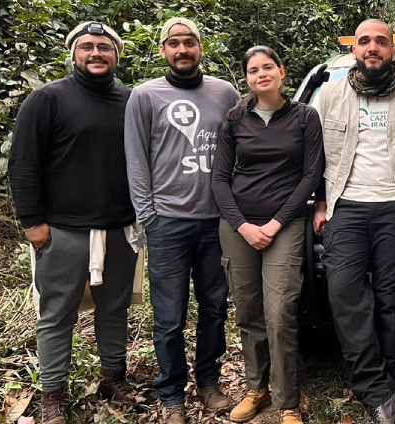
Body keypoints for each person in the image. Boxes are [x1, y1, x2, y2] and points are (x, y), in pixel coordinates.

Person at [312, 18, 395, 424]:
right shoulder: (330, 94)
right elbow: (311, 153)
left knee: (392, 300)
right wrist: (318, 201)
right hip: (344, 207)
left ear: (392, 48)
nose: (373, 48)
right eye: (364, 41)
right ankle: (377, 389)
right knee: (345, 298)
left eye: (381, 42)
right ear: (355, 49)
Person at [9, 21, 138, 424]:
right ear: (74, 53)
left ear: (117, 54)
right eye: (87, 47)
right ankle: (53, 395)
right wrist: (33, 222)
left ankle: (113, 377)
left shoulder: (131, 101)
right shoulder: (47, 99)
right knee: (57, 314)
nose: (96, 53)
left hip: (120, 227)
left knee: (114, 308)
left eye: (104, 47)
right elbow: (23, 163)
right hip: (63, 229)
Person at [124, 17, 240, 423]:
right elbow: (136, 160)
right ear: (163, 51)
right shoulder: (144, 95)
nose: (182, 49)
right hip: (167, 224)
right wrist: (148, 216)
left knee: (214, 308)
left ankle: (208, 382)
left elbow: (240, 150)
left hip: (217, 224)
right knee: (169, 317)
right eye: (174, 43)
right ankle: (171, 392)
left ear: (200, 48)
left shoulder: (225, 93)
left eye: (189, 42)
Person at [212, 45, 324, 424]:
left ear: (281, 71)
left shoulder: (305, 117)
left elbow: (310, 176)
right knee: (248, 311)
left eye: (268, 67)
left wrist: (275, 223)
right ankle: (256, 389)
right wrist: (242, 224)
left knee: (280, 313)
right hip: (238, 225)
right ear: (246, 77)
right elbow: (219, 179)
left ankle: (287, 402)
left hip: (285, 224)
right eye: (253, 69)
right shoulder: (234, 118)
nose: (261, 74)